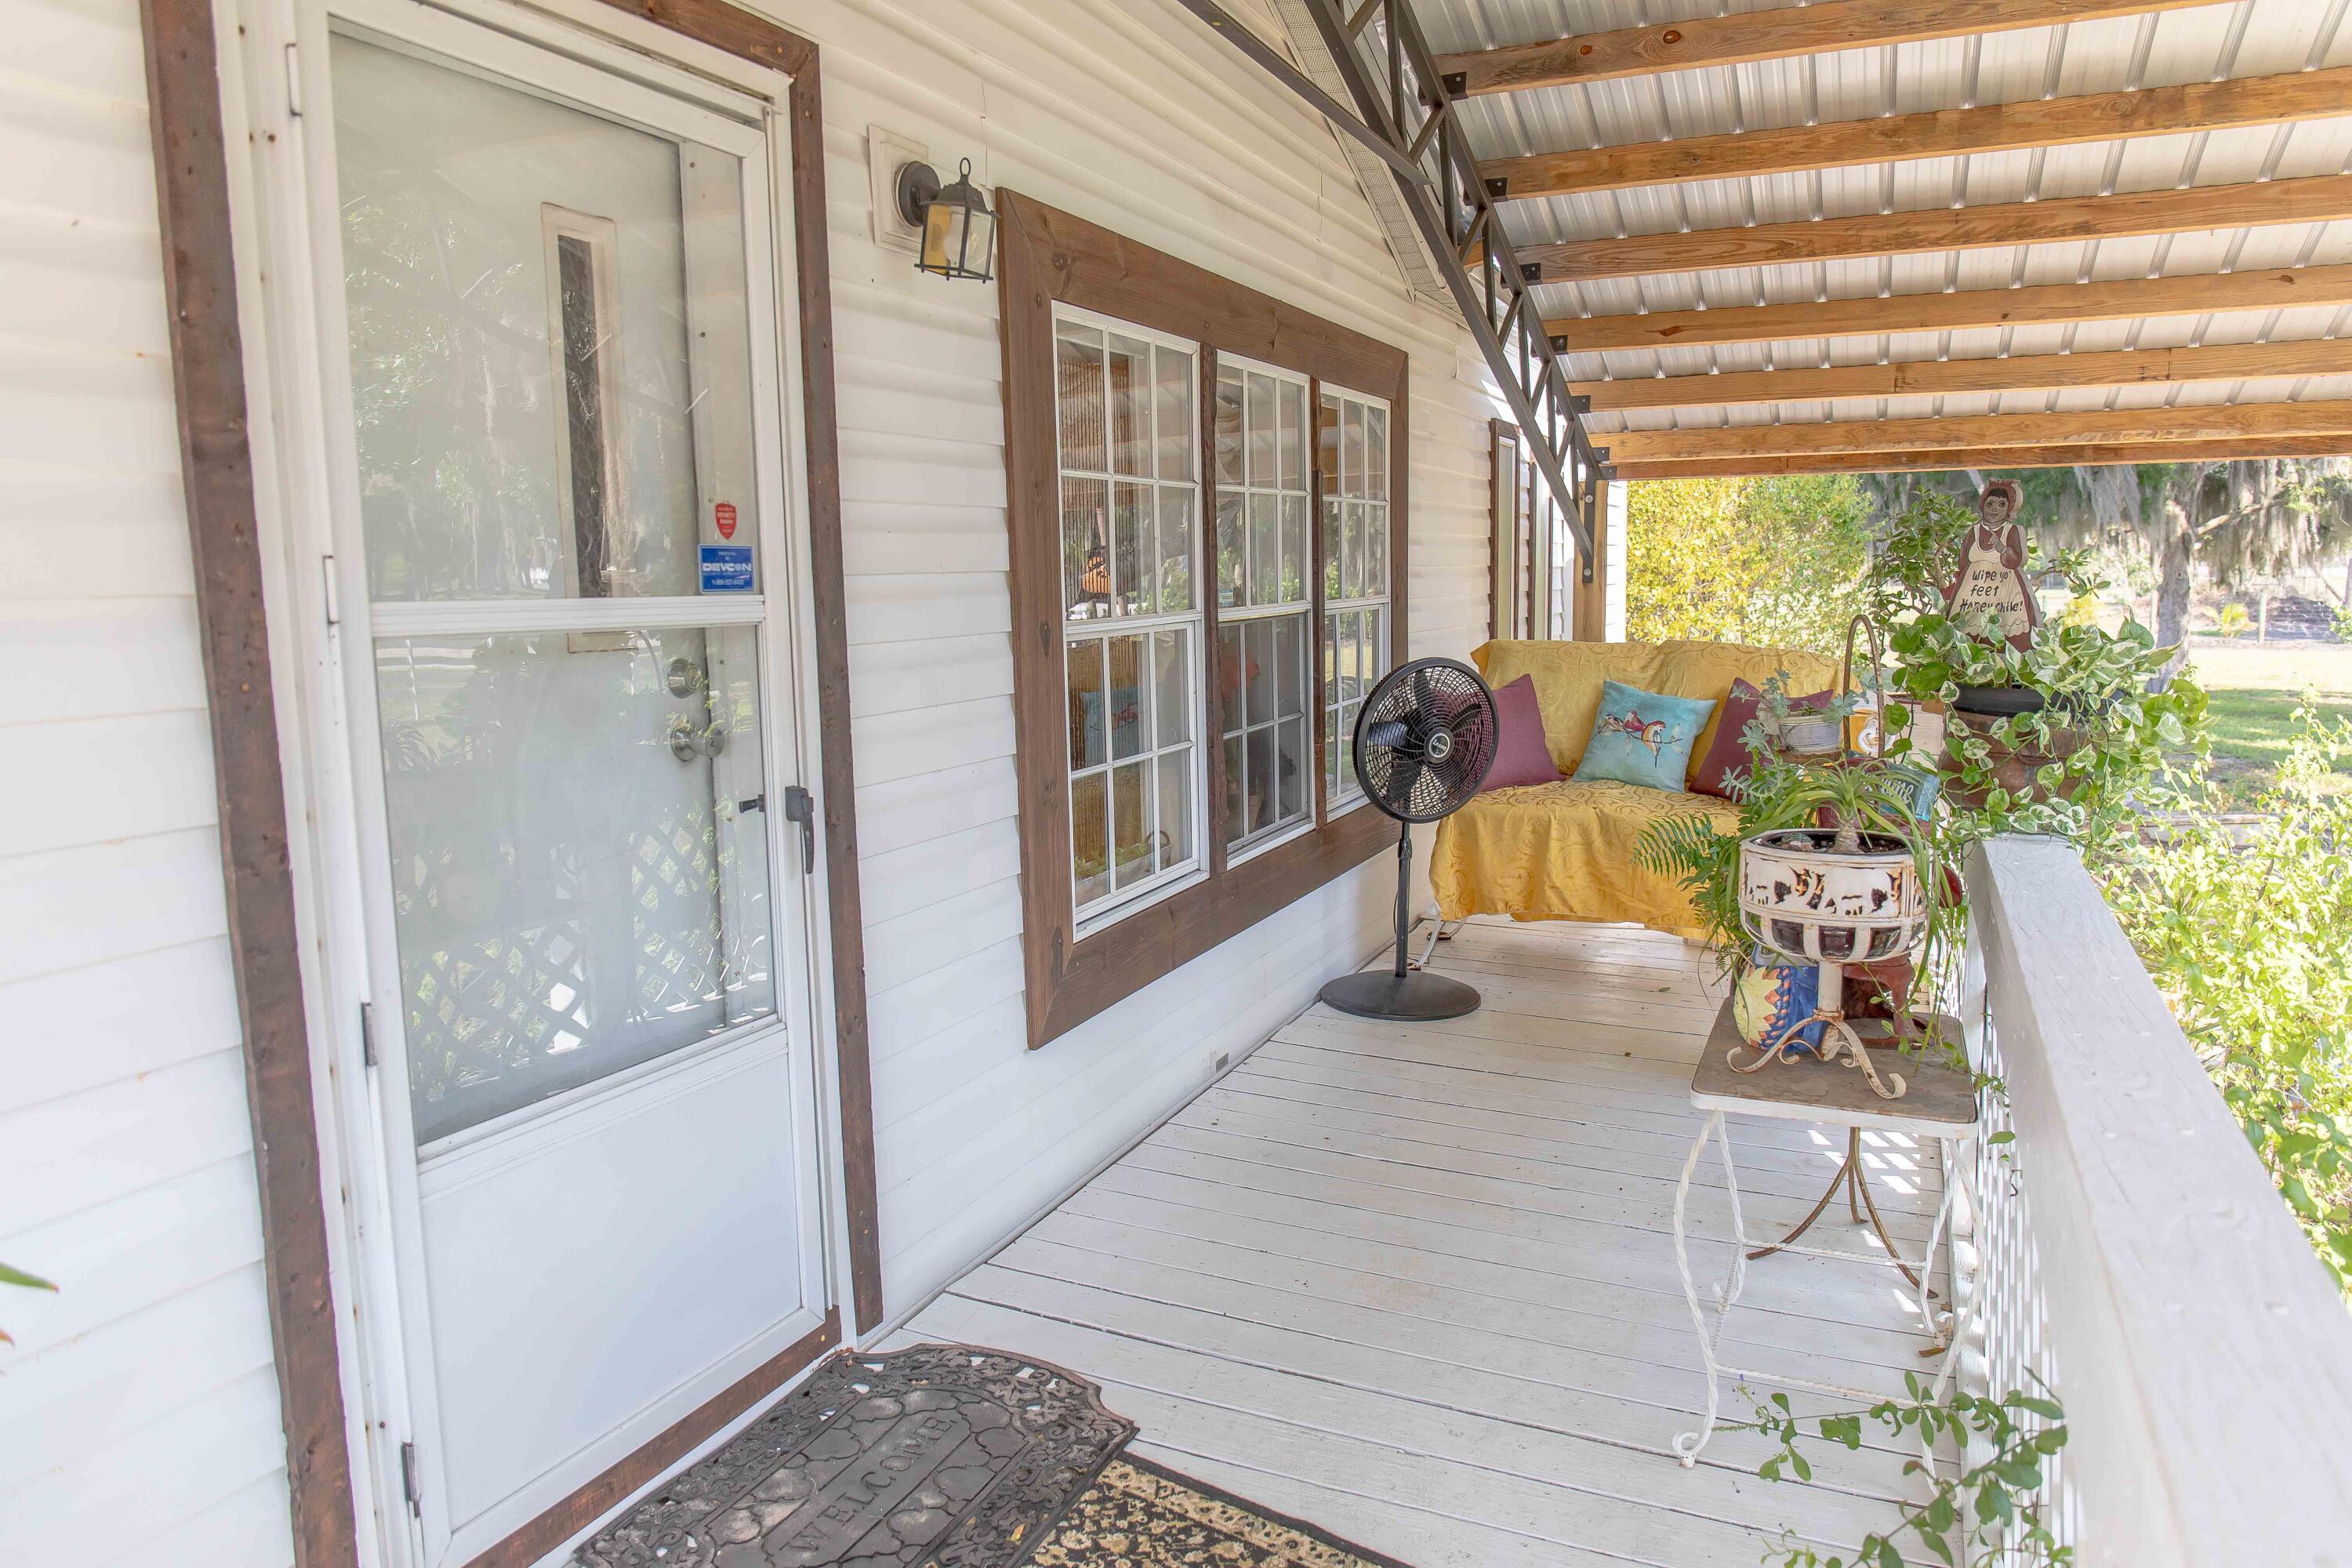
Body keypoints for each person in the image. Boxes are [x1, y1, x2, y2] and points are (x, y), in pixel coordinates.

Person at [1945, 479, 2038, 650]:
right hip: (1973, 592)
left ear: (2010, 508)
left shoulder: (2013, 531)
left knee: (2008, 638)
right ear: (1983, 505)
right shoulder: (1973, 531)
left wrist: (2002, 549)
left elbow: (2016, 560)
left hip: (2005, 592)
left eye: (2002, 504)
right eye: (1990, 504)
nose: (1995, 509)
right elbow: (1963, 562)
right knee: (1967, 637)